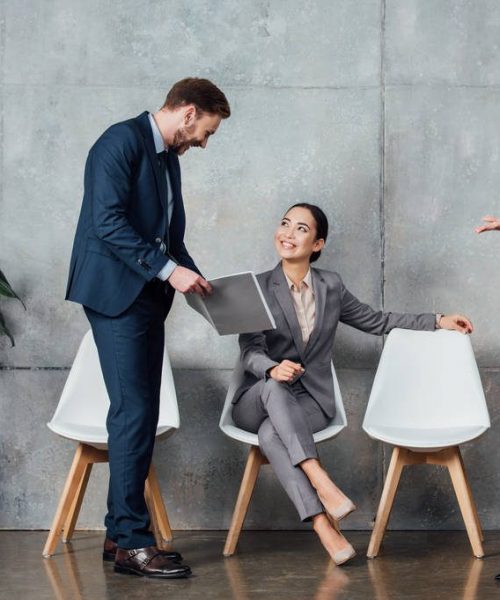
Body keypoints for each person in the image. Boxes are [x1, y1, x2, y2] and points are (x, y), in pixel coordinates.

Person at [232, 203, 473, 566]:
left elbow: (376, 321)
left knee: (272, 435)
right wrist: (271, 368)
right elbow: (249, 350)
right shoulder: (257, 287)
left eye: (301, 229)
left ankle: (321, 525)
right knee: (273, 392)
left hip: (308, 401)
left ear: (318, 243)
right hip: (258, 397)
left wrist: (437, 320)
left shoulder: (331, 286)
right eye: (285, 224)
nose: (288, 233)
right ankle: (320, 480)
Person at [65, 78, 230, 579]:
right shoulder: (119, 142)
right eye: (206, 130)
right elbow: (107, 222)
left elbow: (168, 237)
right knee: (134, 414)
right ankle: (135, 544)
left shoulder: (167, 159)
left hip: (144, 298)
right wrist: (168, 271)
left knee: (138, 411)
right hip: (115, 296)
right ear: (186, 112)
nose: (204, 142)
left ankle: (120, 536)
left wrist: (195, 276)